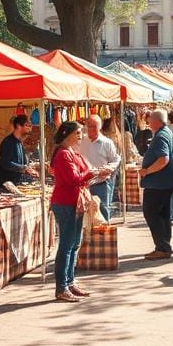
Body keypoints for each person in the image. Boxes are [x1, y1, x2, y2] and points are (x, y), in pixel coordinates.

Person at [50, 121, 95, 302]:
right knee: (66, 246)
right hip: (65, 203)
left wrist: (90, 172)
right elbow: (73, 178)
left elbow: (83, 170)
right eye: (77, 133)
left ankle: (69, 282)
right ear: (68, 134)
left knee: (74, 244)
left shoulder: (72, 153)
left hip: (75, 203)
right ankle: (61, 287)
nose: (80, 136)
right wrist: (91, 174)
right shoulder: (62, 154)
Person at [139, 108, 173, 260]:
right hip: (164, 182)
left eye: (149, 120)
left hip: (158, 183)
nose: (148, 123)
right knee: (163, 215)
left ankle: (162, 247)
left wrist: (147, 171)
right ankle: (163, 246)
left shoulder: (161, 136)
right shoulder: (166, 133)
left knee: (151, 213)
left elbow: (164, 159)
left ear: (156, 121)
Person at [78, 114, 121, 221]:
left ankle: (104, 236)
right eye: (89, 126)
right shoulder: (81, 141)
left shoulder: (107, 143)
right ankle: (89, 236)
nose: (91, 129)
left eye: (94, 126)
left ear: (100, 127)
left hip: (100, 182)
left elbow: (115, 159)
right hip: (84, 183)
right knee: (85, 212)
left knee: (102, 211)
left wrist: (108, 168)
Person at [0, 114, 36, 190]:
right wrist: (24, 168)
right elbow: (5, 163)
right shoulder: (8, 142)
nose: (29, 129)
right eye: (27, 125)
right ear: (18, 126)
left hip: (16, 184)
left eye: (30, 126)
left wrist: (29, 169)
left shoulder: (19, 142)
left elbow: (22, 163)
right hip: (7, 185)